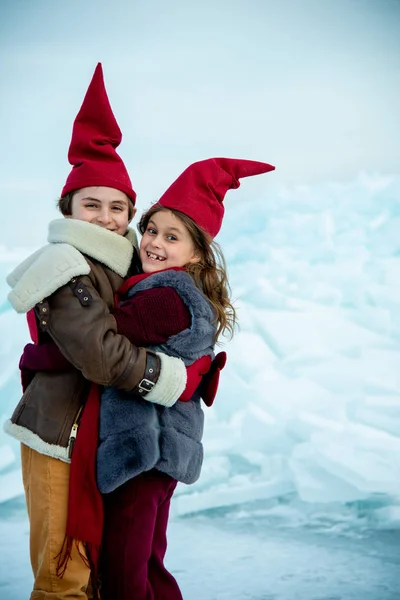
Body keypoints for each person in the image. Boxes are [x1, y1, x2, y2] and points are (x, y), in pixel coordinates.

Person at [3, 63, 209, 600]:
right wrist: (172, 379)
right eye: (91, 205)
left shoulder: (120, 270)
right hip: (58, 434)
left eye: (117, 208)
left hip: (90, 439)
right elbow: (98, 353)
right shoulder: (65, 265)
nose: (106, 218)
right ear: (67, 208)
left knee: (94, 575)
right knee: (62, 573)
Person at [95, 156, 275, 599]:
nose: (154, 242)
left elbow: (102, 331)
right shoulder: (180, 291)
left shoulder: (164, 298)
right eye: (151, 230)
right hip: (161, 454)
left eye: (171, 237)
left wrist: (71, 285)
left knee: (121, 571)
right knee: (149, 563)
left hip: (142, 452)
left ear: (197, 252)